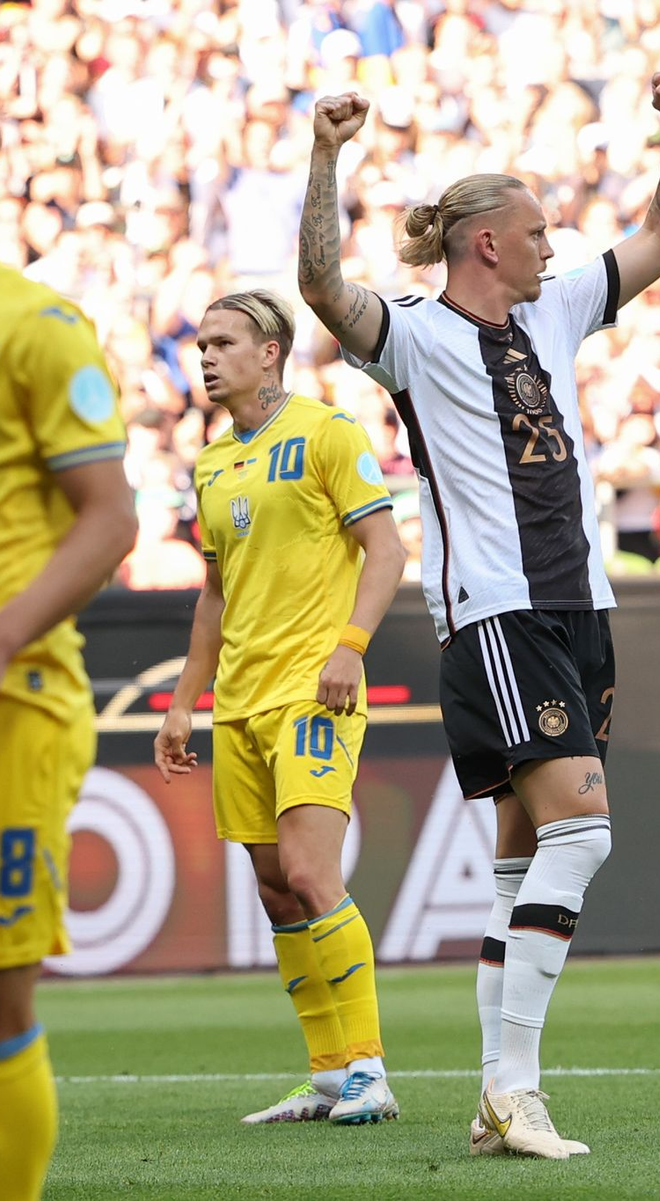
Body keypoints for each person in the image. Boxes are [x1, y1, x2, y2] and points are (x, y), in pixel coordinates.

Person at [297, 70, 660, 1158]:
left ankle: (495, 1100)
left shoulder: (558, 308)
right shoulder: (417, 332)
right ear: (484, 243)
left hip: (581, 606)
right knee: (586, 833)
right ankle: (516, 1090)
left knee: (526, 859)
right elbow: (323, 289)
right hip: (499, 613)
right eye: (534, 232)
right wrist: (327, 159)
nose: (550, 247)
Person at [152, 290, 405, 1126]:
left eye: (224, 342)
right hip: (242, 703)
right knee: (272, 887)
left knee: (308, 870)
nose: (207, 356)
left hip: (313, 688)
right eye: (202, 345)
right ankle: (330, 1073)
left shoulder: (328, 433)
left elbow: (386, 548)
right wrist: (184, 703)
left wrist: (350, 645)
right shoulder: (212, 464)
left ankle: (371, 1067)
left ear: (271, 351)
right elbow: (213, 597)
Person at [0, 267, 137, 1200]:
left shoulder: (38, 326)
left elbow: (112, 517)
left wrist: (3, 634)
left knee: (2, 991)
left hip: (18, 697)